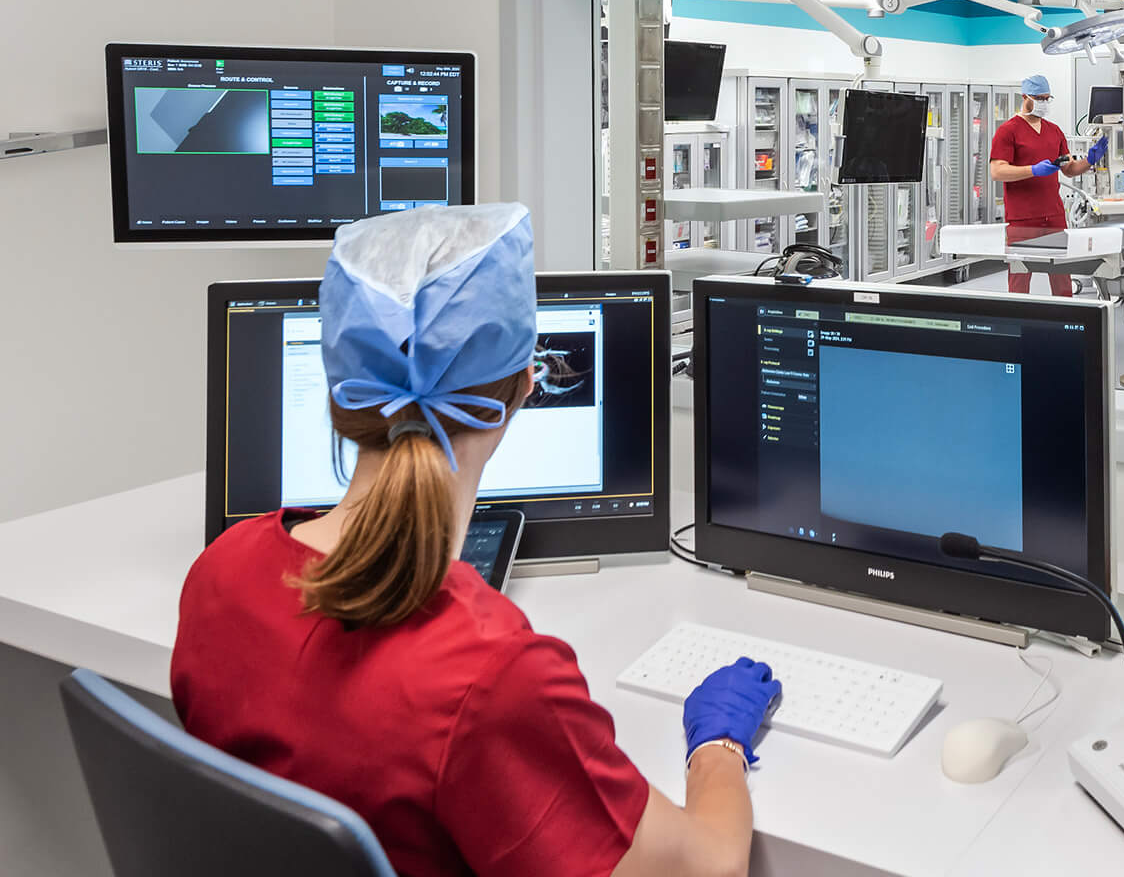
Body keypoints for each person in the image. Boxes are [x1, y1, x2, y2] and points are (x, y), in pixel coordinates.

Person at [171, 204, 778, 877]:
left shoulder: (220, 574)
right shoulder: (492, 674)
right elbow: (703, 869)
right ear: (523, 387)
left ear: (340, 395)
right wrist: (717, 744)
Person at [988, 74, 1104, 296]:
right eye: (1039, 98)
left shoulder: (1054, 131)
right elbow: (997, 171)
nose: (1043, 103)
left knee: (1061, 276)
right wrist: (1033, 170)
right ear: (1025, 97)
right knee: (1020, 278)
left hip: (1053, 215)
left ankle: (1066, 319)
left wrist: (1090, 160)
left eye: (1047, 98)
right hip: (1023, 218)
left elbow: (1068, 169)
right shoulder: (1008, 130)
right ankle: (1019, 320)